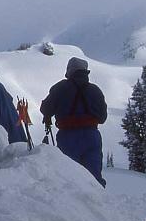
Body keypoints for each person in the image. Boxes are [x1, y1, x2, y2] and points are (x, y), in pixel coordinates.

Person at [40, 57, 108, 186]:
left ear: (70, 71)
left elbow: (46, 108)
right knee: (94, 177)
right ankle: (97, 201)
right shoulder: (95, 90)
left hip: (68, 136)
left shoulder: (60, 88)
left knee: (69, 178)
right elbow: (103, 117)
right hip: (92, 136)